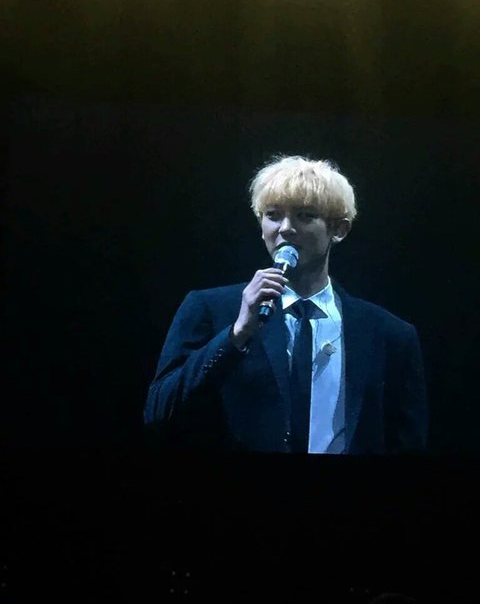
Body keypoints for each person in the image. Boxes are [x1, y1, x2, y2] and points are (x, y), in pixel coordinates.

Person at [144, 154, 428, 453]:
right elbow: (159, 410)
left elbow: (408, 442)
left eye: (305, 215)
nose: (285, 228)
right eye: (273, 215)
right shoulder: (211, 308)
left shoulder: (389, 334)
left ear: (339, 230)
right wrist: (236, 335)